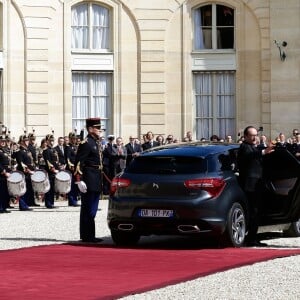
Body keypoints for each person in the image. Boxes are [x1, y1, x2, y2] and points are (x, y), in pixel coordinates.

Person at [237, 126, 274, 246]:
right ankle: (251, 238)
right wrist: (264, 151)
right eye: (252, 135)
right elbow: (249, 156)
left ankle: (253, 237)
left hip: (258, 185)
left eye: (256, 135)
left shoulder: (254, 147)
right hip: (250, 185)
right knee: (253, 211)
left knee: (257, 212)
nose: (255, 137)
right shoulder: (244, 147)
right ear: (246, 136)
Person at [74, 117, 104, 243]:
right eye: (97, 128)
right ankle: (87, 235)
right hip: (89, 177)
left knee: (93, 208)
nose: (100, 130)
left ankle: (89, 234)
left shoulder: (96, 142)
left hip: (96, 176)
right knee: (88, 208)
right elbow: (78, 163)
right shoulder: (86, 143)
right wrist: (78, 179)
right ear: (90, 129)